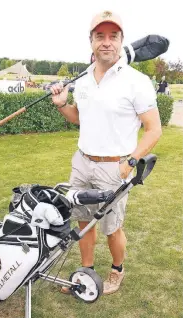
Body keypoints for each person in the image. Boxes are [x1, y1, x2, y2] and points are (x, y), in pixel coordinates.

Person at [50, 10, 162, 295]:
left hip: (116, 167)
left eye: (113, 36)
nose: (107, 42)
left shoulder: (137, 82)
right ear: (91, 42)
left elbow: (153, 129)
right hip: (82, 162)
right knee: (83, 221)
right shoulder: (84, 80)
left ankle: (117, 270)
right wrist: (63, 105)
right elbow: (80, 118)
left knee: (112, 227)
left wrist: (131, 160)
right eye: (100, 36)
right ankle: (86, 272)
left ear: (121, 40)